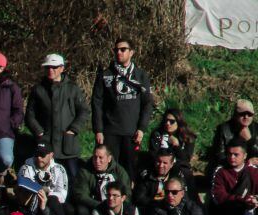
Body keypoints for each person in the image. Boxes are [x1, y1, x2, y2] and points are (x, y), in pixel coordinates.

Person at [91, 37, 153, 176]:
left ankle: (128, 197)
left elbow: (147, 103)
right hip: (110, 131)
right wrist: (98, 130)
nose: (119, 52)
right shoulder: (106, 75)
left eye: (123, 49)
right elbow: (97, 103)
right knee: (109, 169)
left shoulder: (140, 75)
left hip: (131, 132)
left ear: (131, 52)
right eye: (116, 50)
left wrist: (142, 128)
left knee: (130, 170)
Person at [24, 53, 89, 181]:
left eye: (54, 67)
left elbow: (84, 111)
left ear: (62, 68)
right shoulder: (38, 90)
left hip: (68, 144)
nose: (50, 70)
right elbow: (30, 115)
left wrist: (73, 129)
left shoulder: (73, 89)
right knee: (44, 177)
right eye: (48, 67)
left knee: (72, 176)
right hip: (46, 143)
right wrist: (39, 132)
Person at [209, 140, 258, 215]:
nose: (232, 157)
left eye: (236, 154)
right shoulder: (221, 171)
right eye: (229, 154)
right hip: (227, 211)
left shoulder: (253, 171)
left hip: (249, 211)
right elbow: (218, 196)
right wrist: (242, 199)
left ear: (245, 156)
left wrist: (255, 200)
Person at [71, 145, 131, 215]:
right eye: (95, 157)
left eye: (101, 158)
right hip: (94, 204)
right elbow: (81, 195)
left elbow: (127, 193)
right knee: (81, 210)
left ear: (109, 158)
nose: (97, 161)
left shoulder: (119, 171)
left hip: (115, 204)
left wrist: (116, 204)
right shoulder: (85, 171)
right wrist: (101, 205)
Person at [132, 148, 192, 215]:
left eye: (165, 163)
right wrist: (157, 202)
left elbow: (184, 198)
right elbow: (139, 198)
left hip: (173, 212)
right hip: (150, 213)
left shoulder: (178, 176)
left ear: (171, 165)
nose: (161, 165)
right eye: (158, 162)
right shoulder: (146, 176)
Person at [209, 100, 258, 168]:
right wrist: (245, 163)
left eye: (249, 114)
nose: (246, 117)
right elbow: (220, 156)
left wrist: (250, 141)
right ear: (235, 114)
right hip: (228, 167)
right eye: (242, 113)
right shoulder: (224, 129)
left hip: (250, 168)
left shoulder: (256, 128)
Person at [149, 107, 197, 176]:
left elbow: (186, 159)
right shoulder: (157, 134)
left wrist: (176, 146)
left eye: (172, 121)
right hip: (160, 166)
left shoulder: (187, 137)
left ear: (178, 122)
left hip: (179, 168)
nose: (168, 123)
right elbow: (153, 153)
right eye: (166, 120)